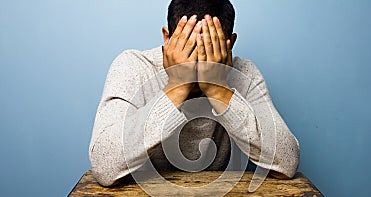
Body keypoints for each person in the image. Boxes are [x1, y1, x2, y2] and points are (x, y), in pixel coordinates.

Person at [89, 0, 300, 187]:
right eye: (189, 50)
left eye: (210, 51)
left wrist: (218, 87)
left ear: (231, 45)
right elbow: (104, 165)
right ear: (166, 38)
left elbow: (286, 161)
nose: (198, 66)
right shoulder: (133, 67)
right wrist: (177, 85)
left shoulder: (244, 73)